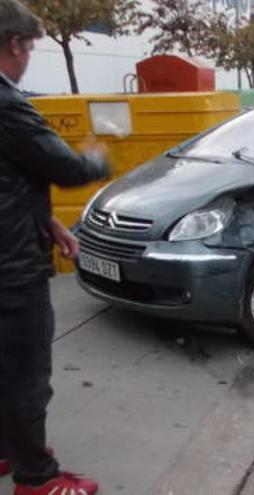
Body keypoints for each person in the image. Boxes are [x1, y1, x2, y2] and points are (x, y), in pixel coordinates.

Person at [0, 1, 111, 494]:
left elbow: (10, 180)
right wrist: (97, 155)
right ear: (13, 45)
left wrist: (50, 226)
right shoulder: (6, 103)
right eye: (30, 49)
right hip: (11, 270)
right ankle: (36, 480)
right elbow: (63, 167)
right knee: (26, 374)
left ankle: (10, 450)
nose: (28, 60)